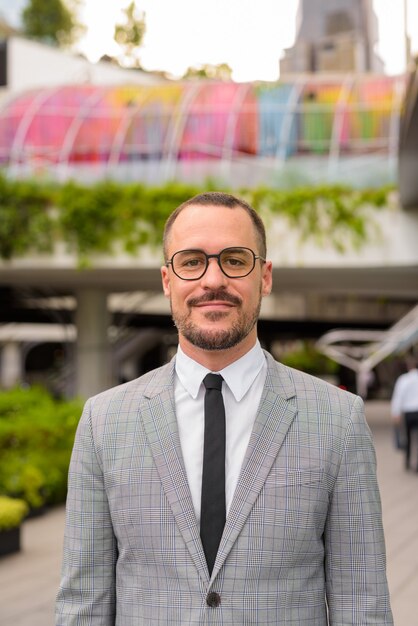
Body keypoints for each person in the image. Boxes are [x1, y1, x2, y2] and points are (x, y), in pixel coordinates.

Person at [56, 191, 393, 625]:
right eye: (191, 261)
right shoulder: (104, 421)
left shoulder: (339, 420)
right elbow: (82, 603)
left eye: (234, 260)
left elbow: (362, 604)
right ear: (167, 280)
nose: (213, 280)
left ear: (265, 277)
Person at [391, 355, 418, 470]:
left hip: (408, 412)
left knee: (407, 437)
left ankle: (407, 461)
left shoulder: (403, 379)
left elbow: (398, 396)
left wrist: (396, 412)